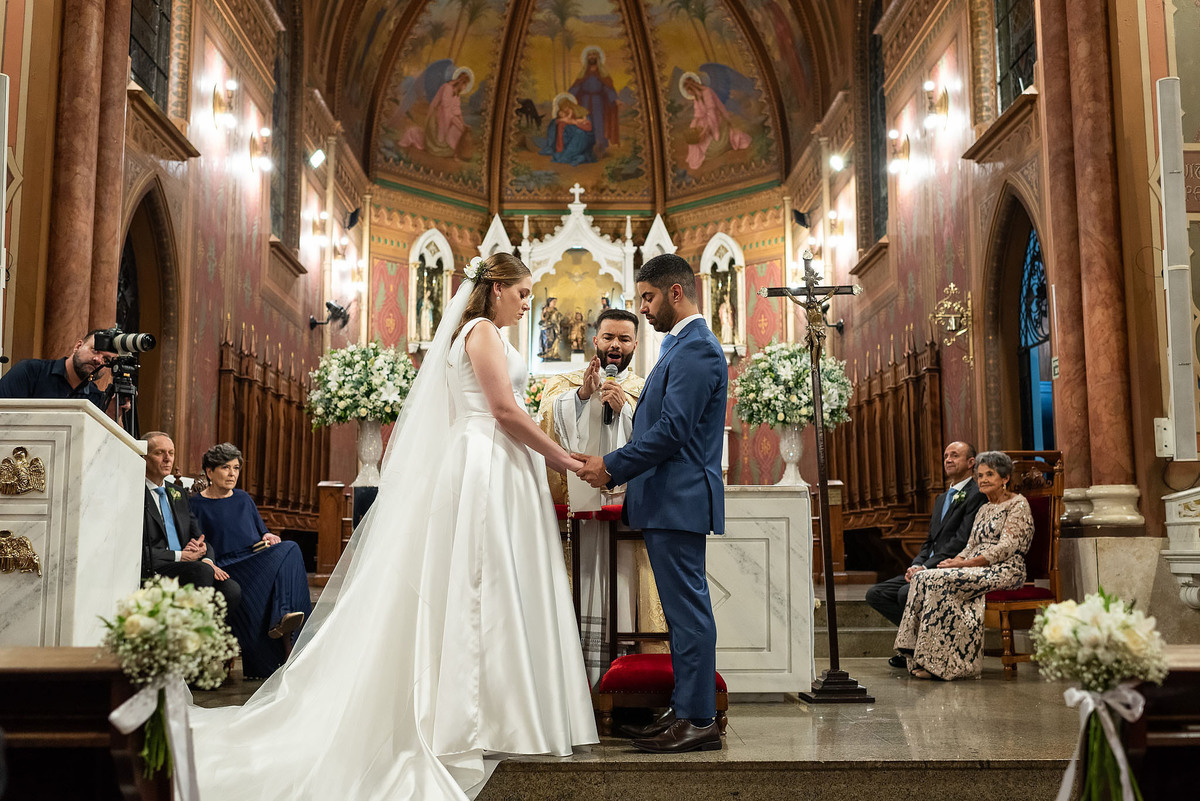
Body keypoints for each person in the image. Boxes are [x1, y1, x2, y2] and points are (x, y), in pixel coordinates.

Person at [188, 253, 597, 800]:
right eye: (522, 293)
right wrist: (563, 459)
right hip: (486, 461)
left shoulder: (483, 334)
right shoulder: (479, 332)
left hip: (496, 460)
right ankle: (476, 716)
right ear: (496, 287)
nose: (528, 305)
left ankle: (504, 710)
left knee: (496, 582)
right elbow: (502, 409)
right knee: (482, 583)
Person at [576, 253, 728, 754]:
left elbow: (673, 431)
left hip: (678, 498)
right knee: (681, 614)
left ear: (675, 293)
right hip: (668, 497)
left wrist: (612, 465)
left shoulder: (697, 349)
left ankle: (700, 718)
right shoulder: (679, 346)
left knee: (687, 614)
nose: (642, 308)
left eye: (647, 297)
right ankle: (687, 708)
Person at [537, 308, 663, 684]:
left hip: (626, 515)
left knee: (624, 591)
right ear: (595, 339)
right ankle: (574, 684)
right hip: (580, 518)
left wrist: (626, 411)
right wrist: (581, 396)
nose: (615, 346)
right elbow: (545, 421)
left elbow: (658, 438)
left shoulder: (647, 388)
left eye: (624, 339)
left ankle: (622, 678)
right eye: (608, 337)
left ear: (635, 345)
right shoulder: (566, 382)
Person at [894, 450, 1035, 681]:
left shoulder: (1018, 505)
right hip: (975, 566)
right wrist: (955, 561)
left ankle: (946, 664)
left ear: (1005, 478)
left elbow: (1006, 548)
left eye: (990, 474)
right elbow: (970, 545)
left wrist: (966, 564)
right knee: (924, 577)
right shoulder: (983, 508)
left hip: (1005, 569)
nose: (983, 480)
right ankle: (917, 653)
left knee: (940, 582)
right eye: (979, 476)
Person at [189, 443, 311, 679]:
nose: (233, 473)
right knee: (291, 549)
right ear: (209, 471)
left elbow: (261, 532)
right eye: (226, 467)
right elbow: (196, 544)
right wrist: (209, 562)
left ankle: (285, 628)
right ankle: (284, 626)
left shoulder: (243, 498)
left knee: (289, 549)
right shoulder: (195, 505)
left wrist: (267, 535)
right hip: (225, 567)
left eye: (236, 468)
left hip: (254, 560)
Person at [866, 441, 986, 668]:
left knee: (904, 593)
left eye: (955, 456)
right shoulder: (942, 498)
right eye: (946, 456)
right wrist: (916, 563)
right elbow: (930, 540)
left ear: (971, 463)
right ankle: (920, 645)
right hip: (927, 566)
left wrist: (926, 567)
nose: (948, 460)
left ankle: (918, 649)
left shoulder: (975, 495)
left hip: (950, 566)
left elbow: (959, 541)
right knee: (876, 594)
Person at [141, 432, 241, 616]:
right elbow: (138, 551)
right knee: (201, 572)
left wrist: (206, 556)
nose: (167, 459)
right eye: (159, 453)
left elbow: (200, 538)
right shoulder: (136, 491)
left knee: (231, 589)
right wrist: (181, 556)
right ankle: (187, 636)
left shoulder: (177, 493)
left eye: (171, 453)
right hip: (156, 566)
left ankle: (200, 637)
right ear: (143, 457)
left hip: (190, 565)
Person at [0, 330, 117, 410]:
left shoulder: (95, 398)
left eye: (106, 360)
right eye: (95, 351)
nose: (98, 360)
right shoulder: (31, 371)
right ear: (78, 346)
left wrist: (112, 413)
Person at [398, 66, 473, 159]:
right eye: (465, 85)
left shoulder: (457, 93)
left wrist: (463, 123)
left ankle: (453, 150)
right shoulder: (447, 88)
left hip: (449, 117)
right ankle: (439, 148)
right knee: (453, 129)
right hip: (439, 117)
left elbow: (457, 110)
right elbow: (445, 108)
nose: (464, 88)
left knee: (460, 128)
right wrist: (453, 120)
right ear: (462, 82)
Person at [680, 72, 750, 170]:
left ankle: (720, 142)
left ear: (693, 87)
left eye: (689, 91)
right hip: (704, 120)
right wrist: (694, 125)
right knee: (693, 126)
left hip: (715, 119)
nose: (689, 94)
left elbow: (711, 113)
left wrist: (706, 130)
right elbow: (698, 114)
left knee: (710, 141)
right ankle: (697, 152)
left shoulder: (707, 92)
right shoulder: (696, 96)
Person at [568, 46, 620, 156]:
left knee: (598, 123)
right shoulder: (583, 74)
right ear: (587, 58)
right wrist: (568, 96)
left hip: (598, 102)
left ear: (598, 57)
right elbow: (577, 87)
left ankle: (600, 148)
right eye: (590, 55)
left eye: (594, 55)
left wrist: (614, 99)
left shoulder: (602, 74)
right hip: (585, 102)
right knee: (586, 122)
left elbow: (607, 88)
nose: (592, 57)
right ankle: (586, 147)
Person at [540, 94, 596, 166]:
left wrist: (575, 122)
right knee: (562, 126)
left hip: (584, 136)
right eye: (561, 109)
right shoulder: (564, 114)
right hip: (571, 137)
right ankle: (565, 152)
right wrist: (564, 120)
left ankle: (571, 155)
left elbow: (588, 127)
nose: (563, 111)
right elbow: (556, 122)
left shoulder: (581, 111)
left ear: (568, 105)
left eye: (564, 108)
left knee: (579, 133)